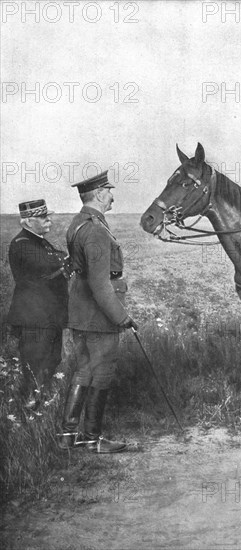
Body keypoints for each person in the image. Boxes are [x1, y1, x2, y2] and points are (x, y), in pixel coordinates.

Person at [58, 171, 137, 454]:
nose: (113, 196)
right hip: (98, 317)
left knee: (84, 371)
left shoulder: (80, 223)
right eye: (109, 191)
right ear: (100, 194)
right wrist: (122, 318)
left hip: (82, 312)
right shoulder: (95, 229)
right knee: (101, 373)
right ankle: (92, 439)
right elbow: (100, 284)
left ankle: (68, 435)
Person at [7, 199, 69, 406]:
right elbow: (53, 263)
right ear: (28, 222)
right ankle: (30, 411)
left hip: (47, 315)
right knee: (35, 365)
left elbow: (58, 261)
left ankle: (40, 406)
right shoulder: (22, 244)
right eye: (44, 217)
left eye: (47, 215)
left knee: (51, 360)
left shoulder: (38, 241)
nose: (49, 220)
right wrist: (65, 261)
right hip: (34, 317)